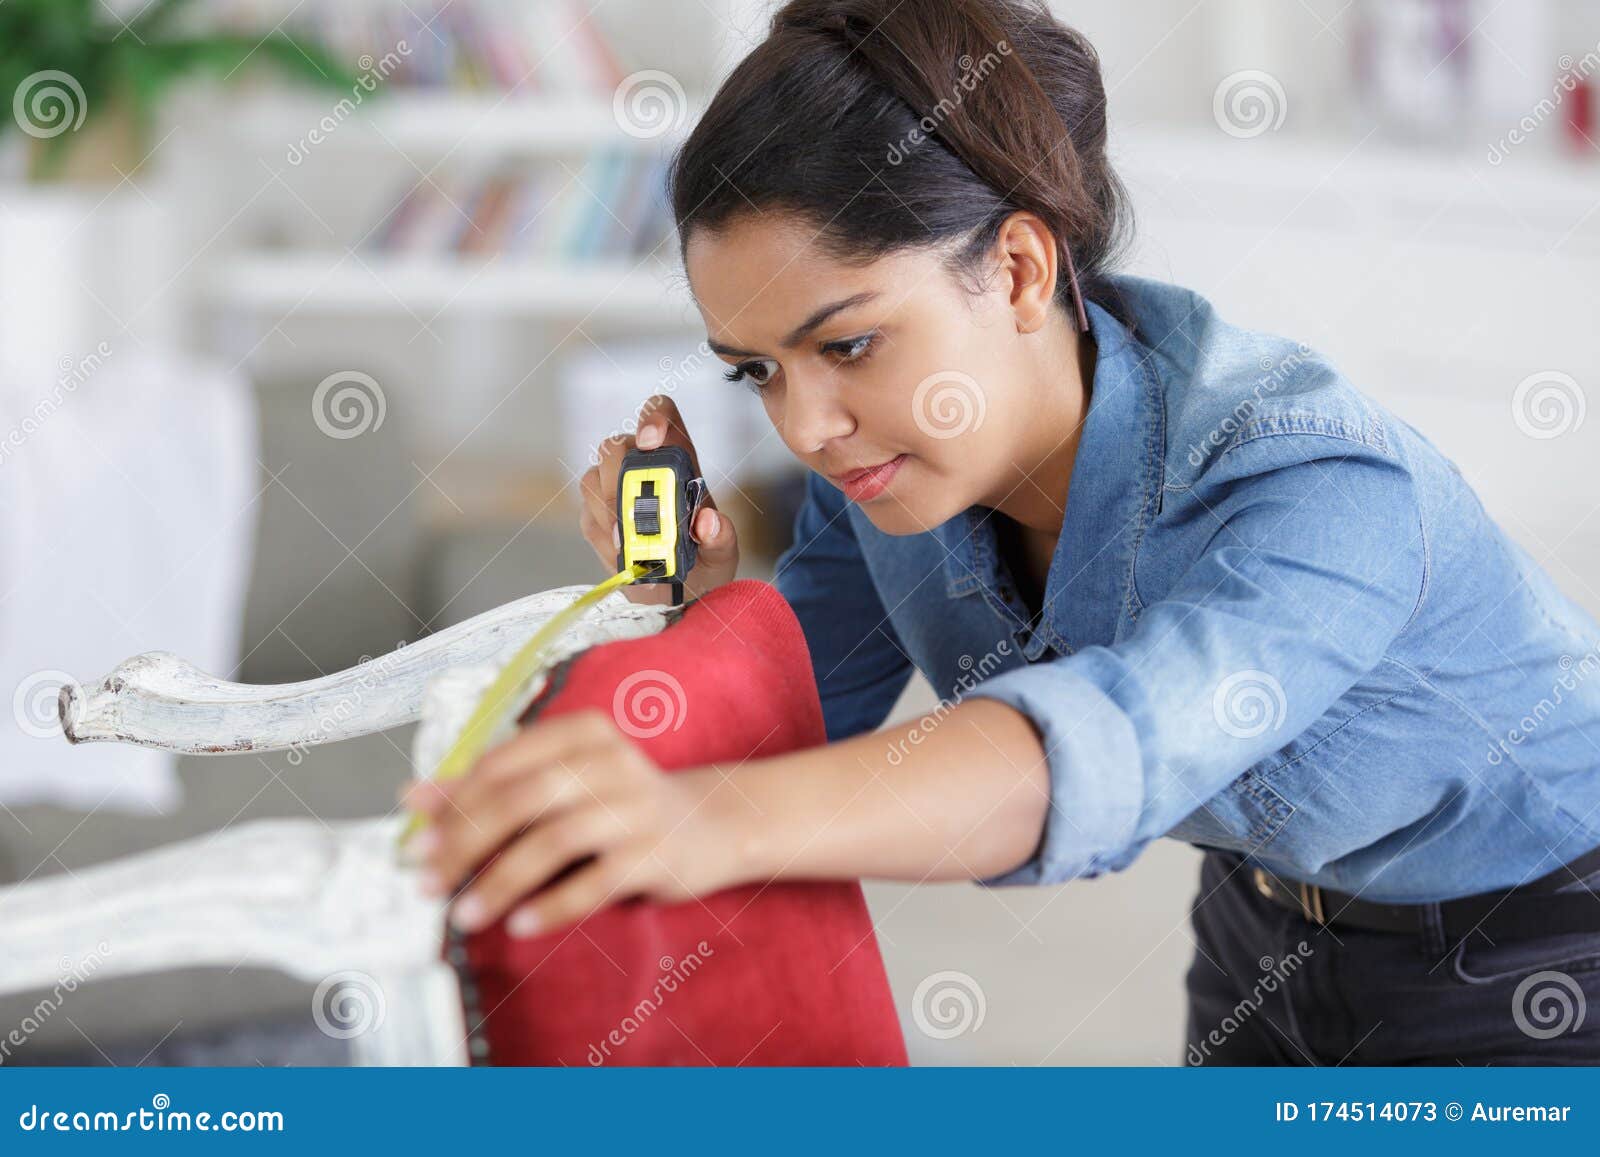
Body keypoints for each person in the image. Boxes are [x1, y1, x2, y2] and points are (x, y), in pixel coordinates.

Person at [402, 0, 1600, 1064]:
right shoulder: (888, 477)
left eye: (849, 344)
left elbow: (1108, 742)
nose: (807, 426)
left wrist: (705, 820)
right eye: (757, 369)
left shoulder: (1316, 482)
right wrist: (697, 600)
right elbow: (791, 735)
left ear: (1021, 268)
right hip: (1265, 926)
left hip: (1543, 947)